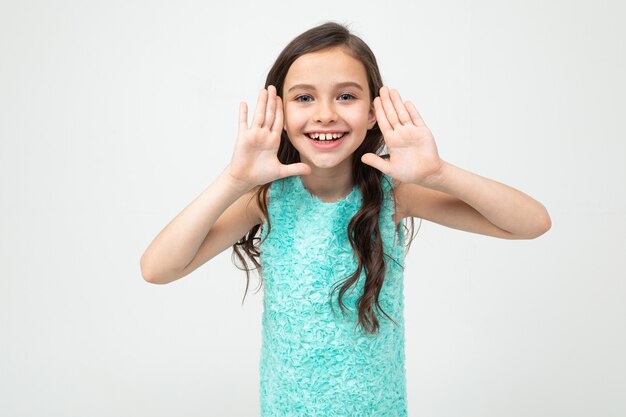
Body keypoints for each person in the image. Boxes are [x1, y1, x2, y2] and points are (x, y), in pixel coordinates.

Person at [140, 21, 551, 416]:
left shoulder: (397, 192)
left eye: (345, 96)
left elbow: (532, 223)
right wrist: (233, 180)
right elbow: (157, 269)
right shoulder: (265, 199)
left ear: (373, 112)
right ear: (279, 112)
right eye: (304, 98)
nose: (324, 115)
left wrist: (439, 173)